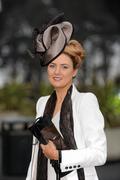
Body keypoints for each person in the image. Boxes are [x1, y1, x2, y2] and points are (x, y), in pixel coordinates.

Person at [26, 13, 107, 180]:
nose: (57, 72)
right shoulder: (42, 103)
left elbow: (100, 154)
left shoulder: (85, 101)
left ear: (74, 71)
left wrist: (60, 157)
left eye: (64, 66)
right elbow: (35, 156)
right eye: (52, 65)